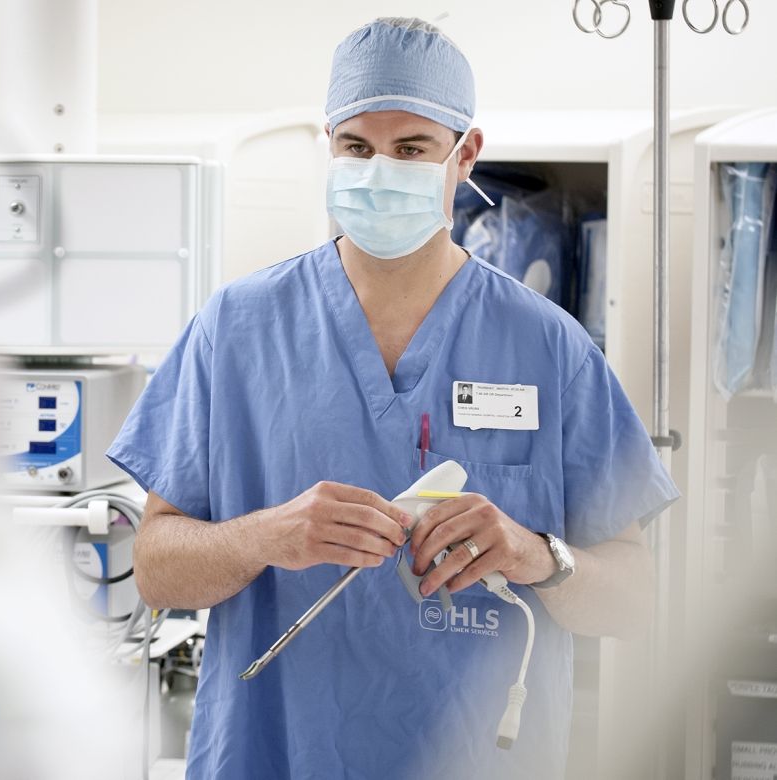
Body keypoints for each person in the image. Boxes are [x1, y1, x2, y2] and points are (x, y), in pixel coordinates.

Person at [107, 17, 678, 780]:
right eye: (356, 147)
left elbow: (637, 601)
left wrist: (535, 556)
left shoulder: (548, 347)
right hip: (275, 755)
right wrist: (262, 538)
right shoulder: (238, 329)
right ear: (330, 144)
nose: (379, 171)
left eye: (411, 149)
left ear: (465, 153)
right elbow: (155, 567)